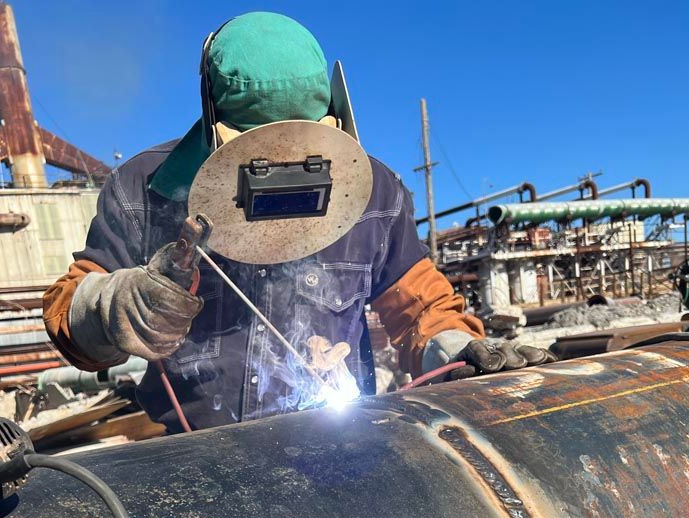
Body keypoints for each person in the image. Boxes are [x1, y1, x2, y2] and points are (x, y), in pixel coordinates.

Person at [44, 13, 550, 432]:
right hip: (192, 460)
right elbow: (70, 314)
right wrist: (114, 305)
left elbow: (422, 311)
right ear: (215, 123)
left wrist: (457, 351)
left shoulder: (373, 192)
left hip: (334, 450)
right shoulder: (144, 191)